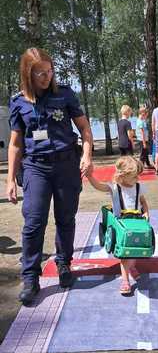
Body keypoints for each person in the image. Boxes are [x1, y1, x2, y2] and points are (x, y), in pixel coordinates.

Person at [6, 47, 93, 305]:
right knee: (34, 221)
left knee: (66, 218)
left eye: (49, 70)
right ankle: (31, 277)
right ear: (28, 74)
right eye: (40, 73)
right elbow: (15, 144)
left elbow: (85, 129)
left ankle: (64, 263)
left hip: (66, 164)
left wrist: (87, 155)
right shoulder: (18, 102)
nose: (46, 76)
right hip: (35, 167)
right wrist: (10, 179)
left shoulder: (64, 94)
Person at [87, 156, 149, 295]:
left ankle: (131, 267)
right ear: (123, 175)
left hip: (136, 222)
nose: (137, 179)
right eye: (134, 176)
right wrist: (90, 176)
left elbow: (143, 201)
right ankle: (125, 280)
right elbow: (98, 186)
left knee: (136, 249)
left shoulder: (138, 186)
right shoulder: (114, 188)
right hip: (121, 224)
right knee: (125, 253)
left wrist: (146, 212)